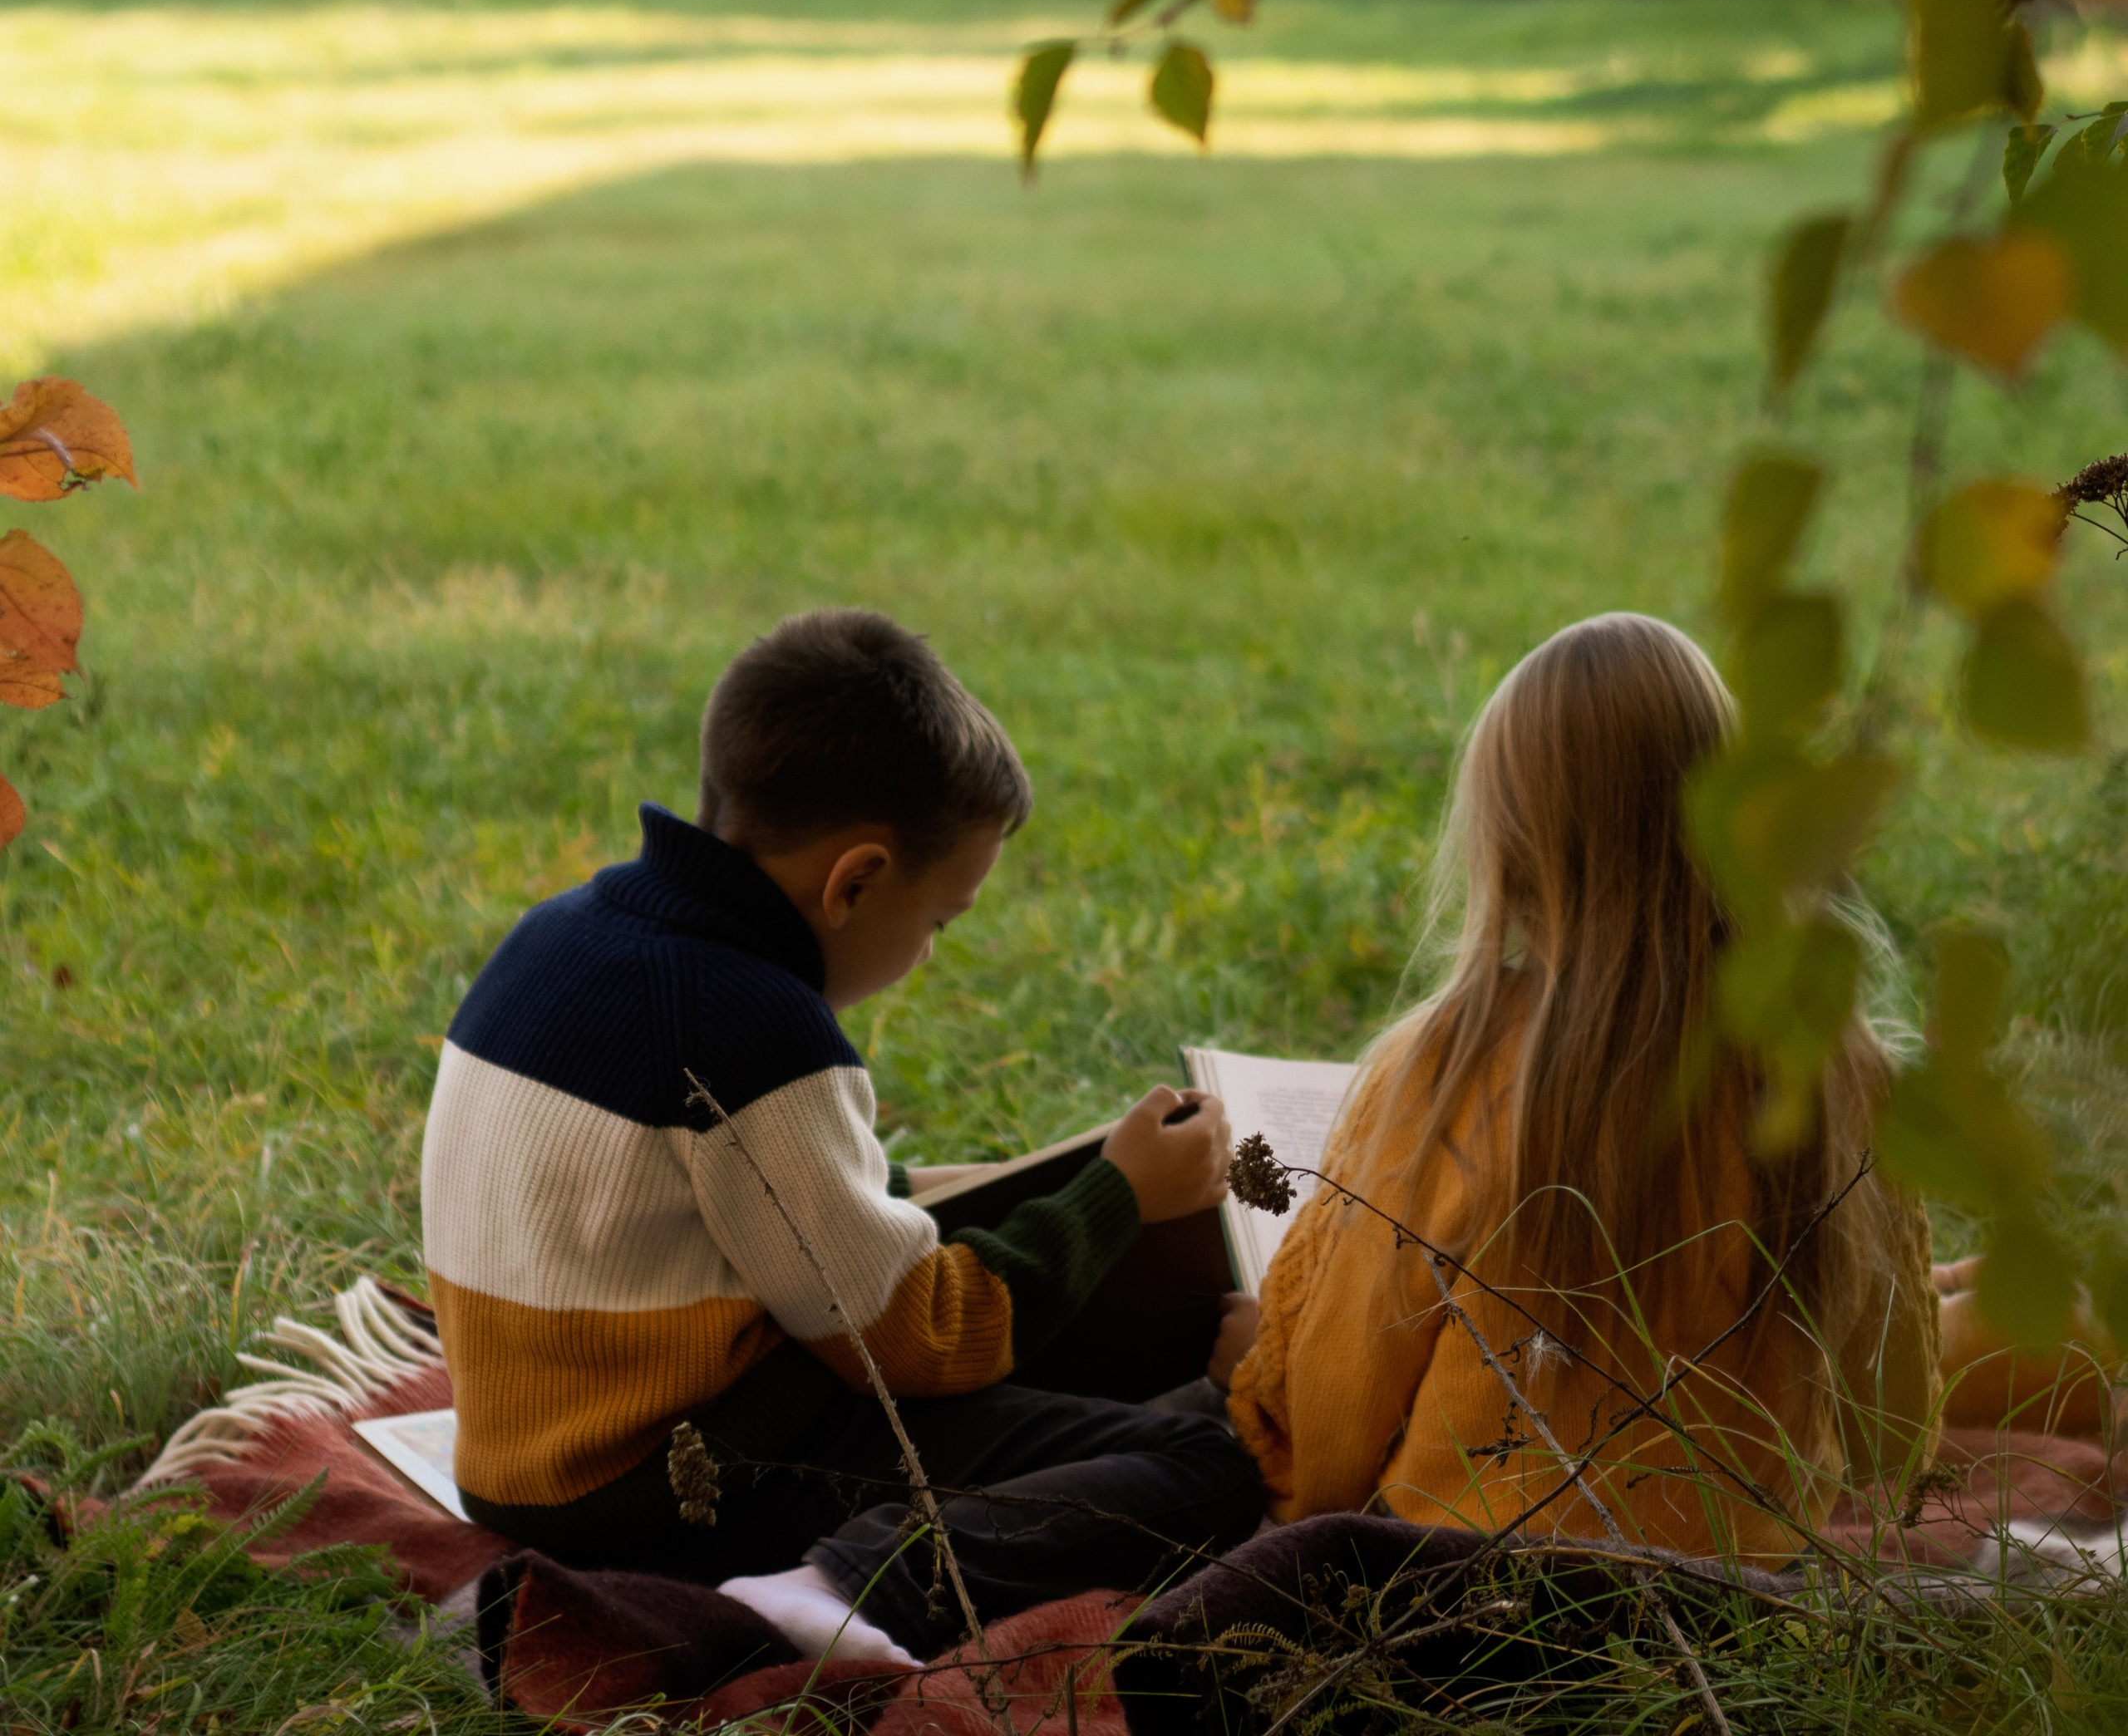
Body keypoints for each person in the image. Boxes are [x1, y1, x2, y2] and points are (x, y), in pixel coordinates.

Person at [421, 607, 1264, 1663]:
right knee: (1205, 1466)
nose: (927, 956)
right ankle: (833, 1589)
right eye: (939, 921)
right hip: (661, 1492)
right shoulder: (755, 1023)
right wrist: (1116, 1198)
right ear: (855, 881)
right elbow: (918, 1338)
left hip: (519, 1461)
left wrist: (1015, 1178)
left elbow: (742, 1199)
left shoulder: (564, 933)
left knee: (1069, 1384)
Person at [1219, 612, 1940, 1562]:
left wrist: (1256, 1411)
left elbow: (1335, 1423)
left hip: (1463, 1596)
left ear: (1509, 843)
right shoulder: (1842, 1069)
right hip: (1737, 1612)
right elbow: (1896, 1429)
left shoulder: (1449, 1066)